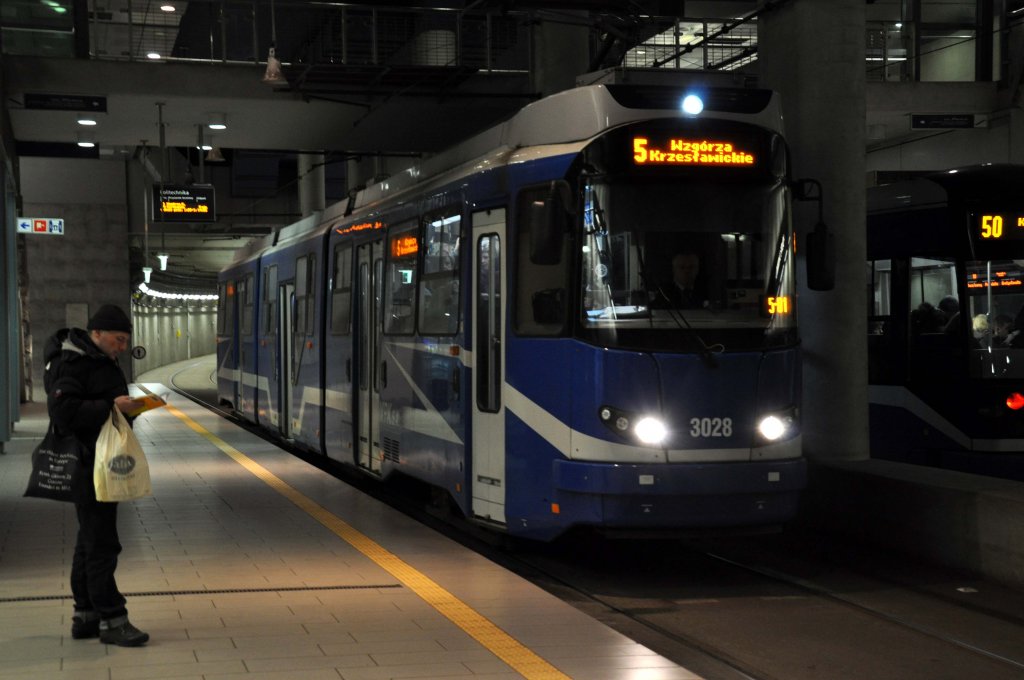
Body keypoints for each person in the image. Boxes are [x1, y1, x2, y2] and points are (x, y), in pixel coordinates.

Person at [43, 304, 150, 647]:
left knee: (88, 540)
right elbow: (63, 412)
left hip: (97, 461)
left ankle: (86, 614)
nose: (122, 347)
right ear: (97, 334)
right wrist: (112, 407)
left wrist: (125, 408)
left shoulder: (99, 360)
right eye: (118, 340)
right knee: (102, 543)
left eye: (124, 341)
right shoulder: (74, 363)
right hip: (88, 462)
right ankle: (113, 618)